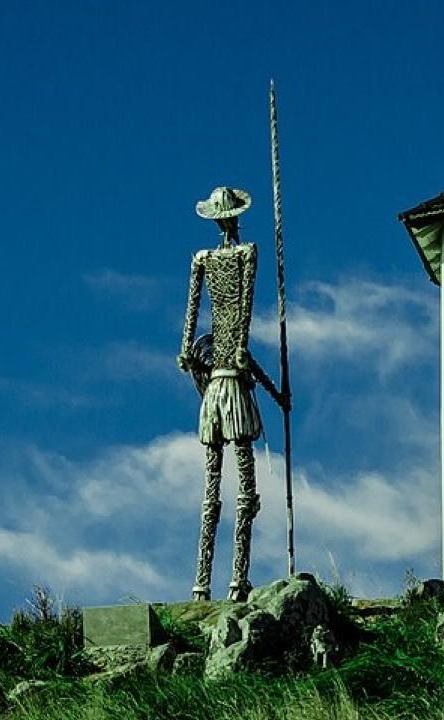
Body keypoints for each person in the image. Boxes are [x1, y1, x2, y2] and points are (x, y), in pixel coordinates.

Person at [178, 187, 287, 602]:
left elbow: (190, 330)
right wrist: (275, 391)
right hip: (234, 386)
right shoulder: (245, 255)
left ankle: (202, 583)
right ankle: (236, 580)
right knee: (245, 487)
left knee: (213, 486)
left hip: (215, 388)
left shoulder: (202, 260)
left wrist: (189, 356)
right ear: (236, 218)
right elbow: (239, 329)